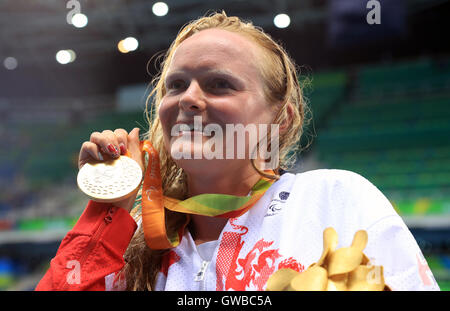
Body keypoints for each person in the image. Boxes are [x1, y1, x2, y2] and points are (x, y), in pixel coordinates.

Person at [35, 12, 439, 291]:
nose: (188, 99)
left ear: (279, 119)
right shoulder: (133, 246)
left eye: (219, 84)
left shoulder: (334, 201)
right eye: (175, 85)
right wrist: (110, 208)